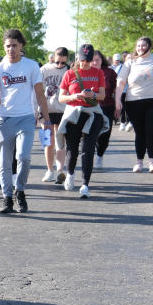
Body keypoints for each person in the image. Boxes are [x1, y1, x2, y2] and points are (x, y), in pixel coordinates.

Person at [0, 29, 48, 214]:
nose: (11, 49)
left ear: (21, 46)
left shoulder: (31, 66)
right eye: (7, 46)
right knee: (4, 162)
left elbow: (39, 93)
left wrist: (46, 117)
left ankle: (19, 190)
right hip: (5, 120)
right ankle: (7, 198)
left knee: (23, 157)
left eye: (14, 45)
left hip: (27, 118)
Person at [114, 36, 153, 173]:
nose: (140, 48)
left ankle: (152, 162)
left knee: (152, 130)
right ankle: (139, 162)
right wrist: (117, 100)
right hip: (134, 101)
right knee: (140, 132)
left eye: (143, 45)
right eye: (138, 46)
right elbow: (121, 82)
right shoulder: (130, 62)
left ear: (149, 46)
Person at [56, 44, 107, 198]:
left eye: (88, 60)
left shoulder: (98, 73)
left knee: (88, 149)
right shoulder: (70, 74)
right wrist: (74, 96)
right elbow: (61, 97)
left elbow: (102, 95)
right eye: (83, 59)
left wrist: (93, 95)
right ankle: (70, 174)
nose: (85, 63)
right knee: (72, 148)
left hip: (93, 114)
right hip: (74, 113)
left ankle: (85, 184)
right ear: (78, 58)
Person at [39, 47, 70, 183]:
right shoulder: (44, 70)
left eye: (62, 63)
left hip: (63, 111)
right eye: (57, 62)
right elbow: (37, 90)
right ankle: (49, 170)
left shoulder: (69, 71)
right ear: (53, 58)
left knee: (60, 142)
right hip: (46, 110)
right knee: (47, 142)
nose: (59, 65)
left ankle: (60, 171)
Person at [93, 50, 118, 168]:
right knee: (91, 133)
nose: (94, 62)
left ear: (102, 60)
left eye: (97, 60)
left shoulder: (110, 72)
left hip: (107, 106)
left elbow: (117, 88)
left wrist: (119, 104)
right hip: (90, 107)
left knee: (105, 134)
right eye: (92, 60)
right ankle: (88, 155)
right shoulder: (84, 72)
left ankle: (100, 155)